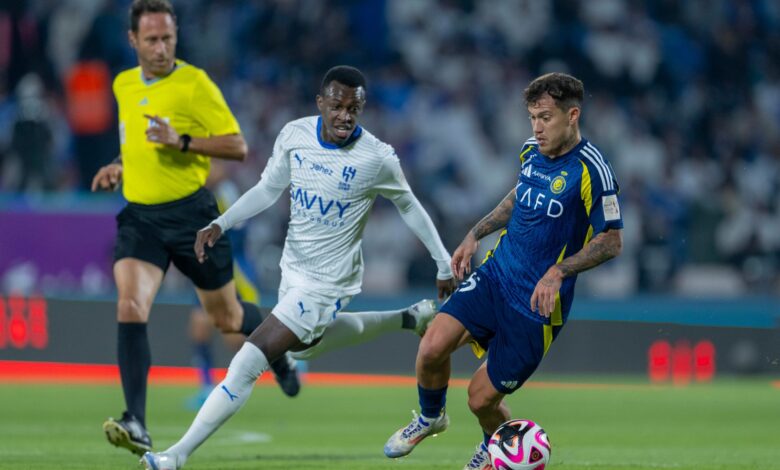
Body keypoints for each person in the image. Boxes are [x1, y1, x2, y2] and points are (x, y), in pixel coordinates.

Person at [140, 64, 458, 470]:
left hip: (328, 283)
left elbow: (409, 206)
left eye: (354, 108)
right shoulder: (294, 135)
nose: (345, 115)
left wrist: (443, 262)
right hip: (294, 269)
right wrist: (222, 222)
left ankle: (176, 456)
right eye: (338, 106)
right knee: (307, 349)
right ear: (321, 103)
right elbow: (268, 189)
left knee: (248, 361)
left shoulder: (376, 158)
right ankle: (409, 318)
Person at [383, 72, 624, 469]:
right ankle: (430, 417)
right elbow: (519, 197)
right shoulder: (531, 150)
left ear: (573, 115)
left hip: (535, 307)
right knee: (431, 347)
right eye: (532, 117)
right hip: (496, 276)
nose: (536, 127)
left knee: (480, 399)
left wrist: (558, 271)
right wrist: (475, 233)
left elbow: (612, 241)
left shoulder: (592, 170)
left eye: (545, 117)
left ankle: (493, 448)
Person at [90, 0, 300, 456]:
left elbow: (238, 146)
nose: (161, 47)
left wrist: (181, 141)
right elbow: (135, 142)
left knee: (226, 316)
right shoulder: (124, 84)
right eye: (151, 39)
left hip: (193, 216)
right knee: (130, 304)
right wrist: (117, 165)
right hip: (141, 218)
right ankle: (137, 423)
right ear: (133, 41)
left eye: (167, 38)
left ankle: (278, 352)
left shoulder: (194, 83)